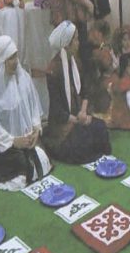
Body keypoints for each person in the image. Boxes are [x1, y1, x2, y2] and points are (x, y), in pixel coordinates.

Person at [0, 36, 53, 189]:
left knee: (42, 158)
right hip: (5, 147)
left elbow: (34, 108)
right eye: (10, 58)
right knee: (22, 172)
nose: (15, 61)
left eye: (16, 56)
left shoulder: (23, 79)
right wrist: (13, 141)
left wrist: (36, 129)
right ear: (1, 62)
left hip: (27, 141)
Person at [44, 20, 111, 163]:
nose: (78, 43)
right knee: (81, 143)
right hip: (63, 124)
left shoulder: (76, 62)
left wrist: (83, 112)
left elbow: (85, 90)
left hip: (79, 116)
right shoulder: (53, 70)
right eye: (75, 40)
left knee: (100, 128)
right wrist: (78, 120)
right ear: (67, 44)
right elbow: (57, 110)